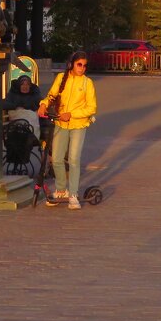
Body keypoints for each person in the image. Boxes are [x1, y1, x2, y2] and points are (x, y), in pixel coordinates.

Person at [37, 51, 97, 211]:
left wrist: (71, 114)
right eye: (79, 64)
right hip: (60, 124)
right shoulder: (61, 79)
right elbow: (51, 95)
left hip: (78, 124)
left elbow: (91, 108)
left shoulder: (87, 83)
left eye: (85, 65)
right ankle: (61, 190)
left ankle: (73, 194)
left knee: (74, 159)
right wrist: (43, 104)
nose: (82, 68)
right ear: (71, 64)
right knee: (56, 158)